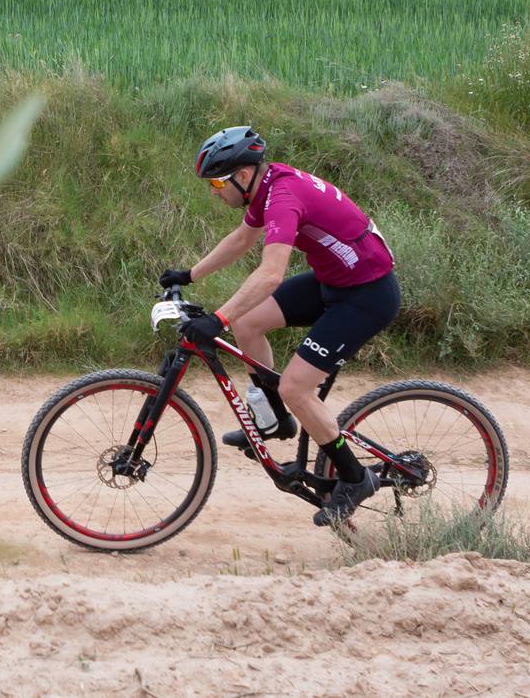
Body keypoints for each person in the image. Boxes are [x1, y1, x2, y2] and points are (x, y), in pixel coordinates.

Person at [160, 126, 401, 526]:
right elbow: (242, 239)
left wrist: (217, 319)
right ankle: (275, 420)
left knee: (296, 386)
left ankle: (356, 479)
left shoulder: (284, 197)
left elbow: (270, 275)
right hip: (334, 281)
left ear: (242, 175)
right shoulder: (267, 184)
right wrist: (189, 274)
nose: (214, 191)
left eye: (218, 182)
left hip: (367, 295)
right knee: (249, 324)